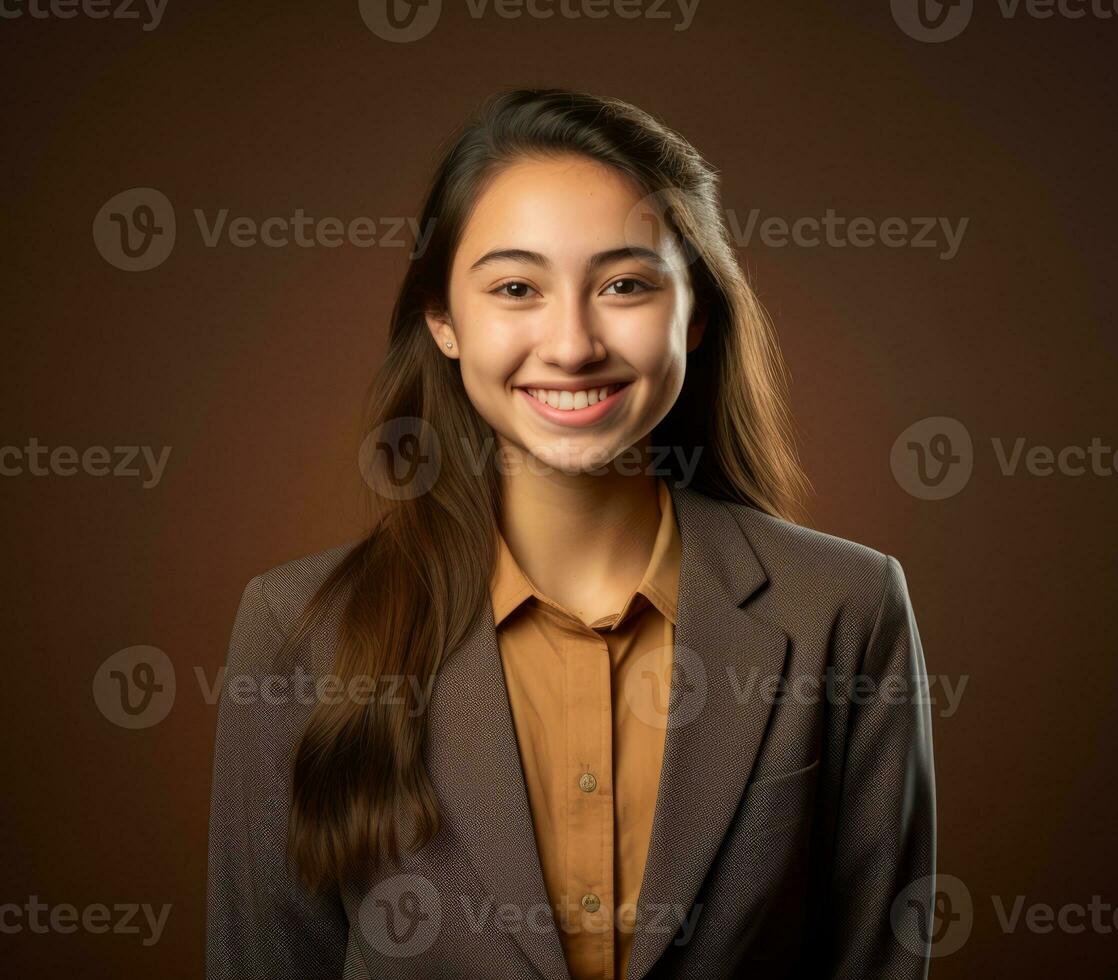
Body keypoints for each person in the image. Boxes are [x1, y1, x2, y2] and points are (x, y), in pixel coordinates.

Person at [205, 88, 935, 980]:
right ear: (442, 320)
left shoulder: (844, 608)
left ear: (694, 312)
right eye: (516, 288)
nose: (572, 343)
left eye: (624, 284)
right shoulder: (297, 628)